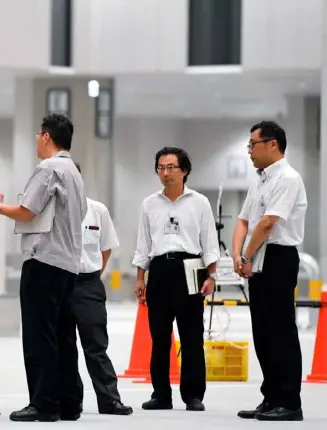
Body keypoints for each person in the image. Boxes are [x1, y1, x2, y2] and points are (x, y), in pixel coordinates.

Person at [0, 114, 87, 422]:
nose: (37, 139)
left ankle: (43, 403)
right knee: (63, 334)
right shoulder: (74, 173)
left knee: (39, 336)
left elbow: (26, 211)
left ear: (47, 137)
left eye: (38, 135)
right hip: (68, 264)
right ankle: (68, 402)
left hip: (44, 260)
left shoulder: (49, 168)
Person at [132, 147, 220, 412]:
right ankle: (161, 394)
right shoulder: (149, 204)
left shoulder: (199, 202)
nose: (166, 173)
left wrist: (212, 275)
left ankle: (193, 395)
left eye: (171, 167)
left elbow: (209, 242)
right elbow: (143, 244)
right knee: (159, 337)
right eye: (161, 167)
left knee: (192, 335)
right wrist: (140, 277)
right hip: (159, 269)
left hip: (191, 268)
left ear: (184, 171)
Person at [232, 121, 307, 422]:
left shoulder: (288, 178)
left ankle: (290, 402)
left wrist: (245, 255)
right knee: (262, 332)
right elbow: (243, 220)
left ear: (272, 144)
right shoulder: (259, 180)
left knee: (281, 331)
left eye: (253, 144)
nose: (249, 150)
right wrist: (239, 256)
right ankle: (271, 396)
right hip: (256, 257)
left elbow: (267, 223)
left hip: (277, 257)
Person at [72, 163, 133, 416]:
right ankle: (69, 401)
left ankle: (109, 400)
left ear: (80, 178)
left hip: (88, 283)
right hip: (59, 284)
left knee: (96, 345)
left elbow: (106, 247)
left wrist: (96, 272)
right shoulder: (49, 210)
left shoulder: (97, 210)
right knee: (62, 346)